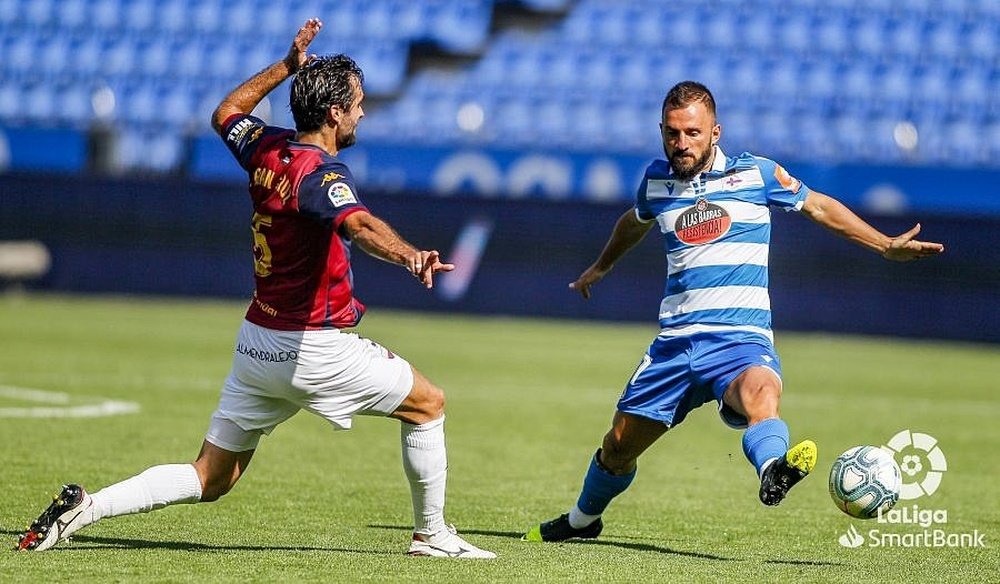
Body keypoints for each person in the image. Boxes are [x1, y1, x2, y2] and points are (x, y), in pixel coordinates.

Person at [18, 19, 495, 559]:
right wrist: (410, 253)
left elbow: (224, 113)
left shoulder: (266, 149)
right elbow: (358, 226)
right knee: (428, 404)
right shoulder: (320, 176)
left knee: (210, 477)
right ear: (335, 113)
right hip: (313, 348)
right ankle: (431, 535)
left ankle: (88, 506)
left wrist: (285, 67)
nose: (363, 111)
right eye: (358, 103)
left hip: (257, 342)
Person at [523, 81, 944, 543]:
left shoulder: (756, 174)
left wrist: (884, 245)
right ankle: (583, 521)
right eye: (671, 133)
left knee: (762, 393)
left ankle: (772, 470)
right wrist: (600, 267)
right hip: (675, 346)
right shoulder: (656, 182)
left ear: (715, 132)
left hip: (740, 338)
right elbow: (634, 221)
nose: (681, 144)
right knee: (618, 446)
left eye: (692, 133)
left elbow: (819, 206)